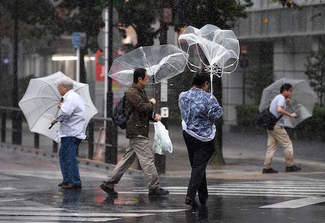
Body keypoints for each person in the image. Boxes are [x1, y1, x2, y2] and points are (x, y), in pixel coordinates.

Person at [100, 68, 169, 196]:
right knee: (148, 159)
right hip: (137, 130)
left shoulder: (140, 91)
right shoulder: (132, 92)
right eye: (146, 78)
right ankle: (154, 187)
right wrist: (152, 103)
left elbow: (143, 112)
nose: (147, 80)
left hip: (138, 129)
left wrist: (153, 116)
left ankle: (109, 183)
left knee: (126, 159)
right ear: (139, 79)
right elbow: (142, 107)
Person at [179, 72, 223, 210]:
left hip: (188, 134)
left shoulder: (182, 96)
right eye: (207, 85)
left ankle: (203, 195)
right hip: (204, 138)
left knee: (198, 165)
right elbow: (216, 114)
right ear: (205, 83)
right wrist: (215, 104)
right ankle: (190, 196)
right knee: (199, 166)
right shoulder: (209, 98)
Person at [53, 80, 87, 189]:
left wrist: (57, 117)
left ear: (64, 88)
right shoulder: (68, 98)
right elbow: (66, 111)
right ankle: (67, 179)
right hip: (68, 132)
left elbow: (66, 112)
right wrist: (61, 107)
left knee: (69, 156)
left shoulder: (71, 97)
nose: (58, 90)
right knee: (64, 155)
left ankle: (74, 181)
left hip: (72, 132)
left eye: (59, 87)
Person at [262, 83, 301, 174]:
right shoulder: (281, 98)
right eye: (290, 91)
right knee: (288, 144)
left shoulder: (279, 98)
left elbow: (279, 112)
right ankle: (289, 166)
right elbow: (279, 110)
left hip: (271, 125)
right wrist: (291, 114)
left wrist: (286, 104)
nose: (291, 93)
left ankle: (267, 168)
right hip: (277, 126)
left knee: (271, 147)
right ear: (285, 91)